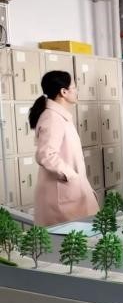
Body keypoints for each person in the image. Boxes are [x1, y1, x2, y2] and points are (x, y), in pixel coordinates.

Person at [28, 70, 99, 226]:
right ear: (63, 92)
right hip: (62, 195)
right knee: (70, 237)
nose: (77, 91)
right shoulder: (52, 118)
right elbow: (46, 155)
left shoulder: (59, 116)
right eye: (74, 87)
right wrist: (71, 176)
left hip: (68, 191)